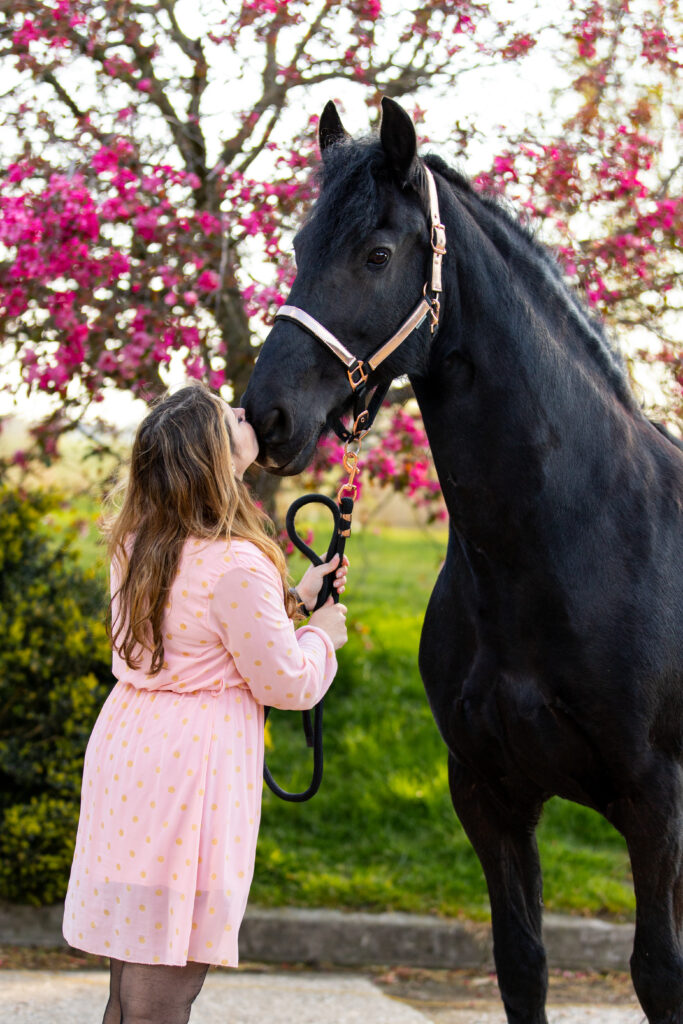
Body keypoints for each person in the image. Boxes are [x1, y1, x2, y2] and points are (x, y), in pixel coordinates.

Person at [62, 382, 349, 1024]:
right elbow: (286, 683)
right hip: (190, 771)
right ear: (212, 459)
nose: (249, 413)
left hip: (131, 748)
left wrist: (295, 600)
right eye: (234, 419)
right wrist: (320, 637)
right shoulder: (238, 562)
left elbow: (197, 634)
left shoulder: (139, 539)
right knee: (162, 994)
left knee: (133, 977)